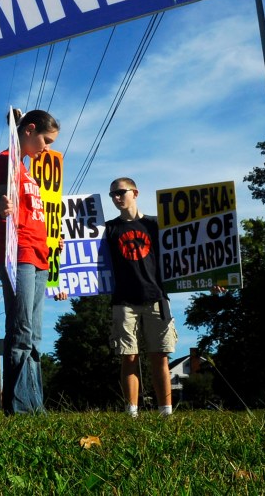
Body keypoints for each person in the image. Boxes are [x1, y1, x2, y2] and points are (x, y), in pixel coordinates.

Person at [0, 108, 67, 415]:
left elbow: (34, 213)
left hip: (39, 255)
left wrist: (50, 237)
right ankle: (19, 407)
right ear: (29, 130)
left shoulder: (28, 170)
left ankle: (35, 404)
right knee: (20, 331)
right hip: (17, 254)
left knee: (34, 334)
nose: (47, 148)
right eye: (46, 140)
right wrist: (0, 204)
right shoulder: (4, 162)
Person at [104, 177, 176, 418]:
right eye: (112, 194)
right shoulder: (109, 229)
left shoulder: (157, 225)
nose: (116, 198)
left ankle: (165, 412)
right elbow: (82, 258)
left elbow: (184, 255)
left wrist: (212, 280)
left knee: (160, 357)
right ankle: (131, 412)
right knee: (128, 357)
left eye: (120, 192)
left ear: (135, 192)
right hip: (124, 301)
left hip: (157, 297)